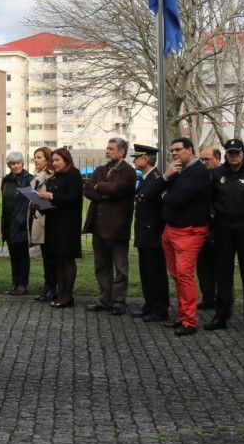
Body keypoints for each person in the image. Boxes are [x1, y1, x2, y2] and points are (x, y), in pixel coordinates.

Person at [207, 139, 244, 334]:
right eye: (230, 153)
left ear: (243, 153)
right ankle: (221, 316)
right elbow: (210, 200)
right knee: (223, 275)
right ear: (226, 154)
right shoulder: (216, 174)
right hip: (223, 229)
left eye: (237, 152)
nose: (233, 156)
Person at [160, 137, 212, 337]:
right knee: (176, 275)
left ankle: (190, 321)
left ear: (190, 150)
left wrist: (165, 195)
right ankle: (183, 315)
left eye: (178, 149)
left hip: (189, 232)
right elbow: (164, 191)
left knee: (185, 276)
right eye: (172, 150)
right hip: (171, 230)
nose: (174, 153)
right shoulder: (178, 170)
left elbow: (178, 198)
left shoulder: (198, 172)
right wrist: (166, 180)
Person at [82, 137, 136, 314]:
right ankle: (104, 300)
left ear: (122, 152)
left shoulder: (128, 171)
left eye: (111, 148)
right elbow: (88, 190)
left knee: (120, 267)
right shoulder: (100, 169)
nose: (107, 151)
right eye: (107, 148)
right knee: (101, 266)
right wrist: (104, 191)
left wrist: (101, 187)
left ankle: (118, 301)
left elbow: (118, 189)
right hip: (98, 227)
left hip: (117, 227)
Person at [130, 145, 169, 322]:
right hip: (144, 232)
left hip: (154, 233)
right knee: (145, 270)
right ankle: (149, 304)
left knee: (156, 272)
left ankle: (160, 309)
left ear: (145, 160)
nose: (134, 161)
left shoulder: (157, 178)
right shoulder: (146, 178)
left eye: (136, 158)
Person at [42, 148, 83, 308]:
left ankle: (68, 295)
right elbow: (53, 202)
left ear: (66, 160)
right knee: (58, 260)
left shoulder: (74, 175)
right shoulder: (54, 178)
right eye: (53, 160)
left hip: (68, 225)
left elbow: (72, 198)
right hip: (54, 223)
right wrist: (40, 204)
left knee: (67, 259)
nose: (54, 163)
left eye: (57, 160)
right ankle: (60, 294)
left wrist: (51, 196)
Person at [0, 152, 33, 295]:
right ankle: (15, 283)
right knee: (13, 256)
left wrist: (21, 220)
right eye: (13, 163)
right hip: (8, 223)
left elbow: (32, 202)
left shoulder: (29, 180)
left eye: (18, 162)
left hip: (21, 224)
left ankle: (23, 284)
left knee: (23, 256)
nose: (16, 166)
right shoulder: (6, 180)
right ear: (9, 165)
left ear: (23, 163)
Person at [196, 145, 223, 311]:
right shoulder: (200, 175)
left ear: (218, 158)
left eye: (207, 159)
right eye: (202, 159)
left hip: (220, 226)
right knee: (203, 265)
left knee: (221, 265)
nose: (204, 162)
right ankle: (208, 297)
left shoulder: (224, 175)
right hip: (201, 225)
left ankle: (224, 297)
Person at [29, 147, 55, 302]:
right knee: (45, 257)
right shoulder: (37, 176)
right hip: (39, 217)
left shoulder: (51, 176)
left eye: (39, 157)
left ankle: (53, 287)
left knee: (51, 257)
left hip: (49, 220)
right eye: (35, 158)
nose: (36, 160)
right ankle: (47, 287)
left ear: (47, 159)